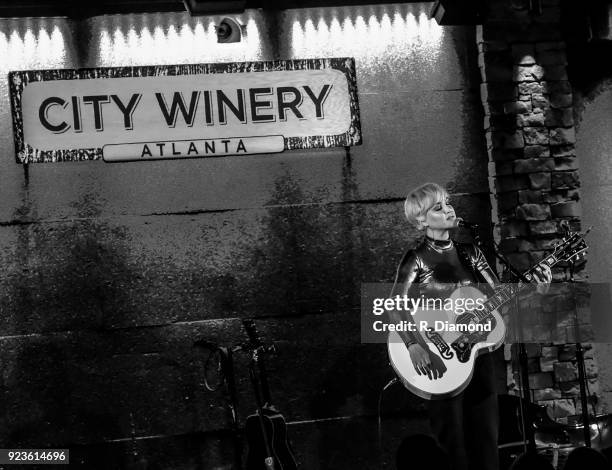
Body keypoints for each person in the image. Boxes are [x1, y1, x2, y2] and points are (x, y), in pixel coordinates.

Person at [389, 183, 551, 470]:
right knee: (452, 446)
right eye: (438, 207)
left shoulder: (471, 252)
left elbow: (500, 296)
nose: (449, 209)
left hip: (479, 355)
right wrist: (414, 343)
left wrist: (534, 289)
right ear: (422, 220)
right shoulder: (417, 258)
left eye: (448, 203)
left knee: (487, 442)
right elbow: (395, 303)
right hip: (440, 357)